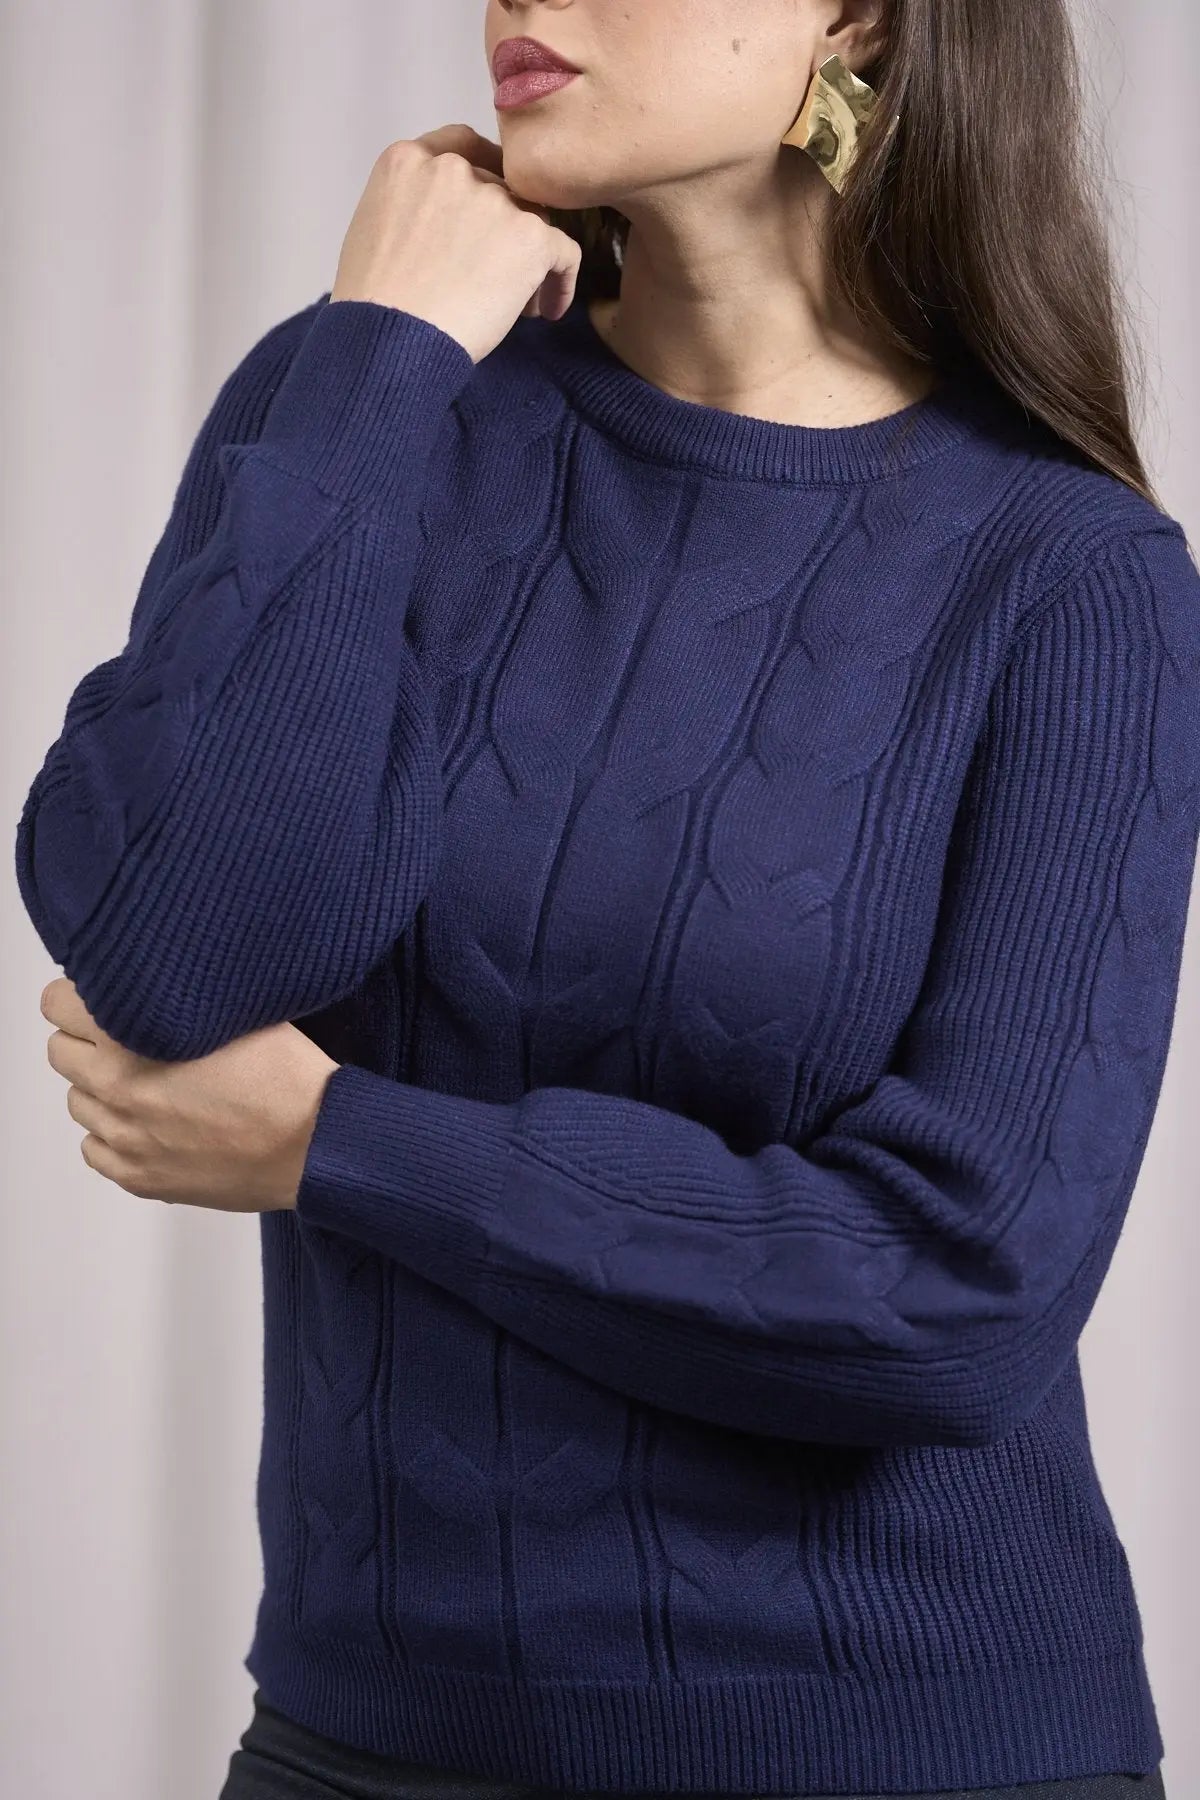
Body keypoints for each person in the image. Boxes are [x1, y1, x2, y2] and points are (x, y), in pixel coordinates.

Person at [16, 0, 1193, 1796]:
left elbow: (956, 1294)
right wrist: (384, 351)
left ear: (855, 18)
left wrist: (344, 1144)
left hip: (886, 1752)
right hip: (362, 1737)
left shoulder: (1069, 578)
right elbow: (177, 956)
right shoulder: (376, 398)